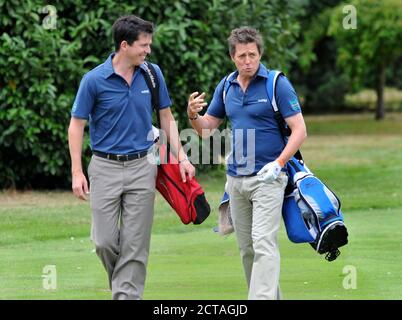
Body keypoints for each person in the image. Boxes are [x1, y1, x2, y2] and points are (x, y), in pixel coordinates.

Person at [68, 15, 195, 300]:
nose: (148, 50)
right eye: (143, 45)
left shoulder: (152, 74)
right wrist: (77, 171)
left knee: (135, 243)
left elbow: (166, 117)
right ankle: (123, 286)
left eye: (149, 44)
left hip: (143, 166)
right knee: (103, 241)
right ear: (124, 45)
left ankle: (126, 296)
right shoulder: (93, 80)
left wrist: (183, 157)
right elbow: (76, 125)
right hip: (104, 167)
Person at [187, 26, 307, 300]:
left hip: (269, 178)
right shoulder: (226, 86)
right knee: (248, 249)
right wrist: (193, 115)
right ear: (233, 56)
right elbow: (207, 129)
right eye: (242, 56)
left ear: (260, 53)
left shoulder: (276, 83)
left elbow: (299, 130)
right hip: (236, 181)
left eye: (252, 54)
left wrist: (278, 163)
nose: (248, 61)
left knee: (264, 243)